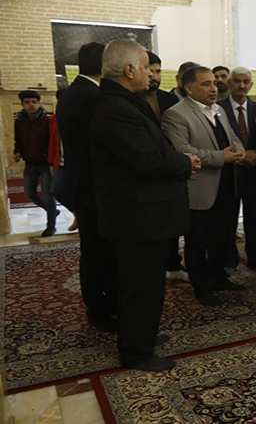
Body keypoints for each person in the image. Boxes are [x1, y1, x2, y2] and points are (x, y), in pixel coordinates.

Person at [88, 39, 200, 371]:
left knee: (141, 284)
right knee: (142, 286)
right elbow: (147, 161)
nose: (151, 75)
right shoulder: (116, 108)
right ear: (129, 69)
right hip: (138, 217)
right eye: (145, 68)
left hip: (140, 214)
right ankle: (136, 351)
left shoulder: (123, 102)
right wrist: (185, 162)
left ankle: (139, 336)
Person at [162, 66, 247, 307]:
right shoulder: (175, 114)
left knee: (223, 236)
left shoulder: (219, 110)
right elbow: (182, 151)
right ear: (189, 88)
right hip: (200, 188)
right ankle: (202, 287)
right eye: (206, 84)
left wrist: (240, 152)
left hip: (227, 184)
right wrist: (222, 158)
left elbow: (233, 137)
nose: (214, 88)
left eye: (214, 83)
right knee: (198, 241)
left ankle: (219, 277)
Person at [57, 42, 119, 333]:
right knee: (96, 252)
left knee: (99, 250)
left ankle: (105, 302)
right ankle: (98, 309)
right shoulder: (91, 95)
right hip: (91, 186)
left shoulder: (76, 92)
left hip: (86, 183)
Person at [218, 66, 256, 272]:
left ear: (251, 85)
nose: (241, 85)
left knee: (253, 216)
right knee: (229, 217)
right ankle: (229, 260)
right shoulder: (218, 108)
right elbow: (218, 138)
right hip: (230, 171)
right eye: (237, 81)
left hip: (254, 170)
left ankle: (255, 257)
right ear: (230, 83)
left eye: (246, 82)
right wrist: (241, 155)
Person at [144, 51, 187, 283]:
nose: (154, 76)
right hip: (147, 169)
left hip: (172, 167)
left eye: (158, 71)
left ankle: (172, 263)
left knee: (171, 223)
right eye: (149, 71)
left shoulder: (169, 100)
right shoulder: (132, 101)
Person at [13, 90, 58, 237]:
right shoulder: (19, 122)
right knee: (29, 194)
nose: (31, 105)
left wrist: (52, 162)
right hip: (30, 163)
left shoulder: (47, 120)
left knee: (47, 195)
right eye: (27, 102)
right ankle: (53, 211)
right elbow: (18, 140)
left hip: (45, 163)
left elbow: (52, 141)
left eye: (34, 102)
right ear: (22, 104)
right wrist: (18, 152)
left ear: (39, 103)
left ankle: (51, 225)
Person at [48, 87, 77, 231]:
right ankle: (76, 213)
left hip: (76, 162)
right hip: (60, 161)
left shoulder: (79, 115)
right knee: (56, 190)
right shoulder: (54, 118)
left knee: (77, 191)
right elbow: (53, 140)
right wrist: (51, 162)